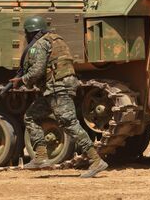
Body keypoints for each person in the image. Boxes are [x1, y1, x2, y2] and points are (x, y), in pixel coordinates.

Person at [10, 16, 107, 178]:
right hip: (55, 88)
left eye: (27, 33)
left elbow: (37, 71)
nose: (26, 37)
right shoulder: (56, 40)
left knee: (68, 123)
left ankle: (96, 160)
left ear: (31, 32)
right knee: (31, 117)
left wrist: (22, 80)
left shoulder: (40, 44)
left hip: (57, 88)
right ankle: (41, 157)